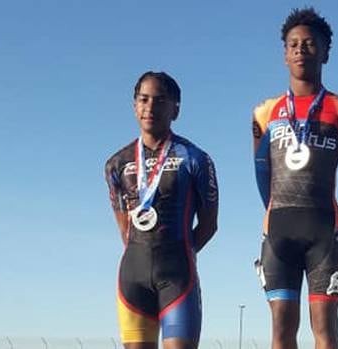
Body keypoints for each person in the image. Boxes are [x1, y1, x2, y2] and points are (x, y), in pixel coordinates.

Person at [252, 7, 338, 349]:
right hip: (279, 233)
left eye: (310, 44)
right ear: (285, 54)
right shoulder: (264, 111)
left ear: (326, 52)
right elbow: (261, 172)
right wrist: (273, 213)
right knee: (281, 332)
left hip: (324, 234)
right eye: (294, 44)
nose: (301, 49)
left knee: (325, 331)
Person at [105, 71, 218, 349]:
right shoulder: (116, 164)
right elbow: (124, 227)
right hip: (133, 273)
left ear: (175, 109)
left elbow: (209, 224)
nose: (150, 107)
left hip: (178, 276)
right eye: (143, 99)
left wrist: (181, 251)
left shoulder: (195, 158)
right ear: (134, 106)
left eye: (159, 100)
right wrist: (144, 250)